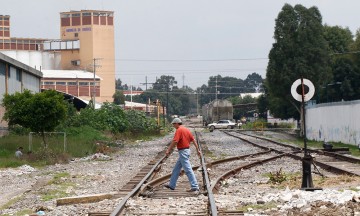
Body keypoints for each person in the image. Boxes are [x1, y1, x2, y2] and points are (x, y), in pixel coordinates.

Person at [164, 118, 201, 194]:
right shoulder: (187, 130)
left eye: (173, 124)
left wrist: (168, 150)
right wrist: (198, 150)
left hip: (183, 152)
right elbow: (193, 140)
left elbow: (175, 141)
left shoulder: (179, 130)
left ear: (177, 123)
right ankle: (172, 185)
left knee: (188, 169)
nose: (173, 126)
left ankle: (195, 186)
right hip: (186, 151)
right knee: (176, 169)